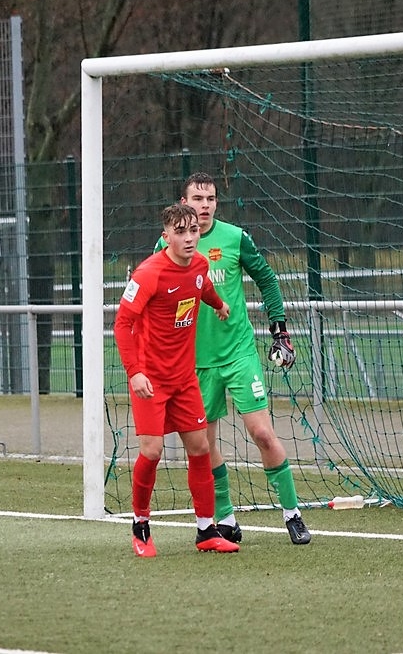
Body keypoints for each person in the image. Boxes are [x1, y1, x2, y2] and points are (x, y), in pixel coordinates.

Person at [157, 172, 310, 545]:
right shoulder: (167, 246)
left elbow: (268, 280)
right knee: (203, 445)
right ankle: (225, 518)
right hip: (195, 363)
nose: (204, 205)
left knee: (261, 432)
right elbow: (153, 290)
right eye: (197, 198)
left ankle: (292, 514)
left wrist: (280, 331)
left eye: (210, 198)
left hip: (239, 353)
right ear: (184, 202)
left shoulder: (235, 238)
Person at [114, 203, 239, 557]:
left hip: (184, 379)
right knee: (152, 452)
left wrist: (218, 303)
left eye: (193, 231)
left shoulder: (200, 264)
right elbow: (122, 325)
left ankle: (205, 530)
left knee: (200, 448)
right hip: (150, 379)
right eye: (180, 232)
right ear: (165, 236)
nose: (188, 238)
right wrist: (134, 372)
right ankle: (140, 524)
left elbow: (200, 288)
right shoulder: (148, 273)